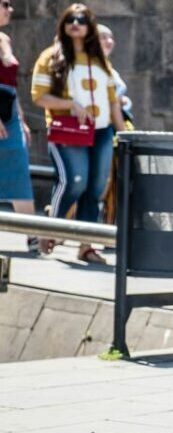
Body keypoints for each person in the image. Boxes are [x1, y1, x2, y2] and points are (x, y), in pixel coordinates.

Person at [32, 3, 125, 264]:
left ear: (90, 26)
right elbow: (39, 96)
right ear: (63, 24)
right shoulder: (51, 56)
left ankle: (86, 245)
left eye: (82, 20)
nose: (76, 24)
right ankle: (51, 228)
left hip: (102, 131)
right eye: (70, 19)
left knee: (96, 188)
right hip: (69, 129)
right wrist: (70, 105)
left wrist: (125, 134)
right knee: (75, 182)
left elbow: (113, 102)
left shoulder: (100, 61)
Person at [0, 0, 38, 253]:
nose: (10, 10)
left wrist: (21, 119)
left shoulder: (5, 38)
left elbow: (11, 85)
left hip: (9, 113)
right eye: (5, 4)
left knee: (19, 172)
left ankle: (32, 235)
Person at [97, 24, 132, 127]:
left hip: (110, 121)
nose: (109, 41)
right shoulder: (90, 67)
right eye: (103, 37)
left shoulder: (109, 67)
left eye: (111, 38)